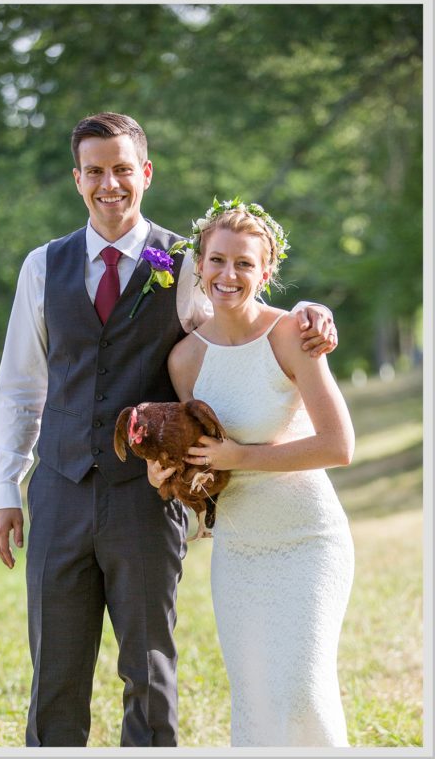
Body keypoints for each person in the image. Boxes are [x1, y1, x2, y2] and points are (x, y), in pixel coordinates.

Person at [0, 112, 339, 747]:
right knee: (55, 676)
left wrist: (312, 311)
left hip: (147, 500)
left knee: (148, 674)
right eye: (95, 171)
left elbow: (246, 316)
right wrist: (5, 486)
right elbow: (19, 385)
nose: (109, 184)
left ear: (145, 174)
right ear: (77, 179)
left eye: (123, 169)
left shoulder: (185, 263)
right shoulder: (42, 266)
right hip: (60, 491)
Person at [162, 200, 354, 746]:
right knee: (256, 700)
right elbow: (202, 468)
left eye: (244, 264)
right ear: (197, 266)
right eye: (217, 261)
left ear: (266, 273)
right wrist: (173, 479)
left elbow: (339, 445)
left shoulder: (293, 333)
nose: (228, 275)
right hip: (239, 550)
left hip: (307, 538)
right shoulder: (184, 362)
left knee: (302, 690)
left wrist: (240, 457)